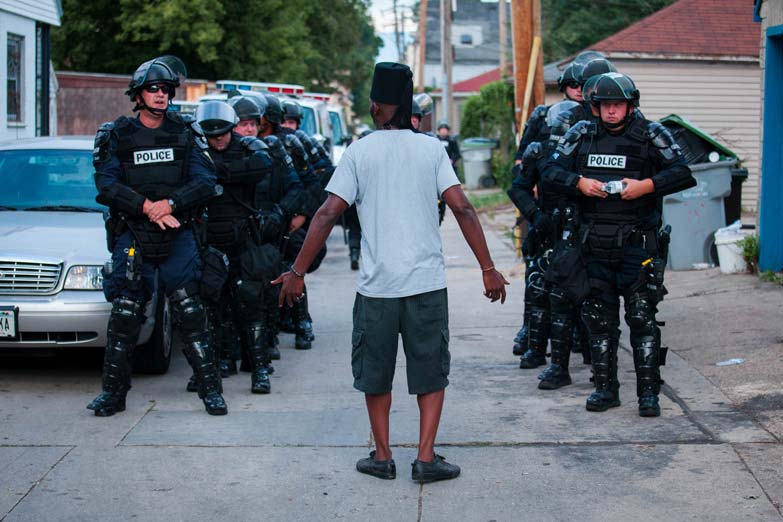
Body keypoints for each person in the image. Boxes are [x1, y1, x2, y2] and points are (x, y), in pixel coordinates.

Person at [273, 62, 508, 483]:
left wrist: (297, 270)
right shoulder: (432, 150)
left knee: (374, 372)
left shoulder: (360, 152)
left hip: (377, 290)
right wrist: (488, 268)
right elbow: (462, 207)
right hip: (426, 287)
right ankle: (425, 457)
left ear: (380, 107)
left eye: (371, 103)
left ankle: (382, 457)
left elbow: (327, 214)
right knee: (430, 369)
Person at [543, 72, 696, 416]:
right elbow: (549, 172)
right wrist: (578, 182)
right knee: (599, 321)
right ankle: (605, 390)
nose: (612, 111)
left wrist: (647, 186)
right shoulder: (581, 133)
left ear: (630, 105)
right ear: (595, 107)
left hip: (637, 246)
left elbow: (684, 172)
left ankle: (648, 395)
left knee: (641, 318)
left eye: (619, 104)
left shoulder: (651, 133)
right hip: (593, 244)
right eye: (605, 105)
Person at [87, 56, 227, 416]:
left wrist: (170, 203)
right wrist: (147, 207)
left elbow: (206, 181)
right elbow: (106, 184)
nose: (161, 94)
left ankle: (211, 391)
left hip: (178, 233)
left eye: (166, 89)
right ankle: (113, 395)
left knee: (190, 310)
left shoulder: (185, 132)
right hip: (133, 233)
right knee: (125, 313)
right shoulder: (117, 134)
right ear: (138, 94)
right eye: (153, 88)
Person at [198, 100, 301, 394]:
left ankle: (259, 369)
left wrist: (219, 172)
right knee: (211, 308)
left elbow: (263, 166)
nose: (219, 139)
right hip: (210, 241)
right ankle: (214, 367)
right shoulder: (198, 153)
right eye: (212, 135)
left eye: (224, 133)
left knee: (251, 303)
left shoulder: (249, 149)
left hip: (244, 240)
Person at [507, 99, 582, 384]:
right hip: (546, 226)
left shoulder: (586, 146)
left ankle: (583, 358)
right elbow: (518, 187)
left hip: (579, 229)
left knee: (582, 301)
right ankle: (536, 350)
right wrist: (535, 215)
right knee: (539, 289)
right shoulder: (539, 149)